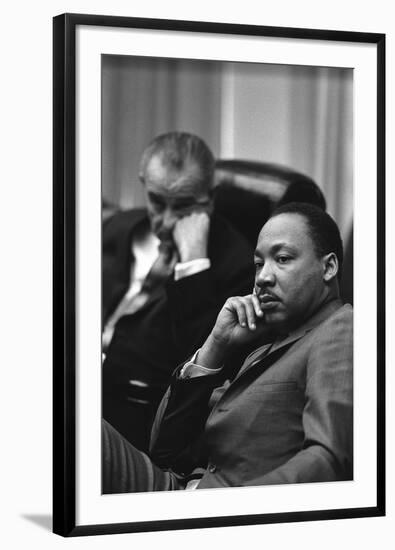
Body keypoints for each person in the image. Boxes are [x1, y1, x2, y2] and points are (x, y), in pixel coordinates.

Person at [102, 202, 353, 493]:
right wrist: (216, 345)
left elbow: (328, 459)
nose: (263, 277)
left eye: (282, 259)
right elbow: (162, 449)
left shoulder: (340, 328)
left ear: (329, 267)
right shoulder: (263, 346)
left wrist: (225, 511)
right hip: (177, 487)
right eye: (259, 264)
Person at [102, 132, 254, 451]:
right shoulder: (116, 229)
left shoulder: (238, 266)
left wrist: (194, 264)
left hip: (138, 427)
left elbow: (202, 371)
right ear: (144, 184)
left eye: (184, 207)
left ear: (210, 198)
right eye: (157, 202)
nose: (167, 222)